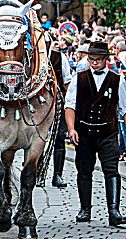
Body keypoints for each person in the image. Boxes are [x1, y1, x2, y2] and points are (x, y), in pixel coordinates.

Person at [65, 41, 126, 226]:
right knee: (84, 171)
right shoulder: (79, 78)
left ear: (107, 59)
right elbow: (70, 106)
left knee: (111, 170)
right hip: (84, 132)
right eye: (91, 59)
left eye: (98, 60)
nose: (94, 63)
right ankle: (85, 210)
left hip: (108, 132)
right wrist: (71, 129)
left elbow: (124, 109)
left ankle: (114, 211)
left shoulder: (118, 80)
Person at [49, 45, 72, 188]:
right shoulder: (29, 54)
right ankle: (36, 171)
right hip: (35, 106)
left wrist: (67, 106)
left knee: (59, 138)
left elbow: (67, 82)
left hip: (57, 103)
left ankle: (57, 174)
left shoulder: (59, 57)